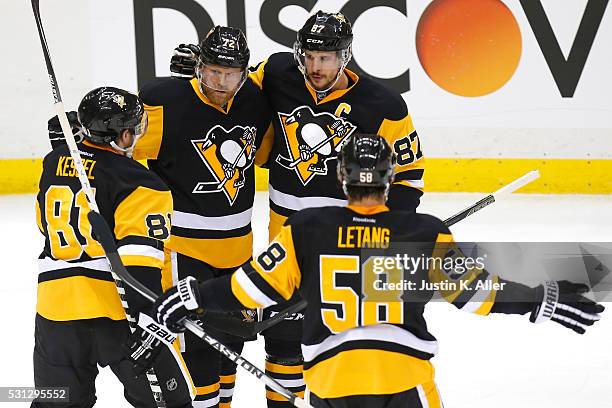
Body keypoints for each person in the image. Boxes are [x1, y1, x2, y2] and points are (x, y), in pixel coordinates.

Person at [147, 134, 603, 408]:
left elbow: (249, 289)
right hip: (402, 379)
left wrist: (192, 296)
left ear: (341, 177)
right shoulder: (420, 229)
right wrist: (537, 299)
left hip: (331, 381)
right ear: (389, 178)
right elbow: (475, 294)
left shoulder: (307, 229)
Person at [170, 12, 426, 405]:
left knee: (319, 351)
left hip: (344, 248)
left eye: (326, 58)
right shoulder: (276, 73)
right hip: (285, 245)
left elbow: (409, 176)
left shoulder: (385, 106)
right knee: (282, 343)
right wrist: (195, 78)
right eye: (309, 56)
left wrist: (387, 231)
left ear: (345, 56)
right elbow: (228, 88)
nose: (315, 66)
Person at [134, 26, 273, 408]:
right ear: (198, 65)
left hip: (238, 250)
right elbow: (122, 148)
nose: (220, 81)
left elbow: (261, 157)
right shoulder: (163, 101)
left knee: (229, 342)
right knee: (195, 346)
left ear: (245, 72)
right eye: (212, 70)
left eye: (230, 73)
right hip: (182, 249)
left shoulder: (257, 102)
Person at [34, 87, 195, 407]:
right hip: (117, 314)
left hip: (56, 312)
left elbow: (45, 226)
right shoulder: (143, 184)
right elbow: (139, 267)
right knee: (171, 404)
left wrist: (71, 155)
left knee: (55, 402)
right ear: (123, 136)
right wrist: (153, 324)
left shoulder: (53, 163)